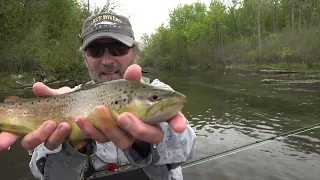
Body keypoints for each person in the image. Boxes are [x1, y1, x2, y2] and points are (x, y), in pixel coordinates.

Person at [0, 12, 196, 180]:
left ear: (134, 52)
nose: (107, 60)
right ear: (85, 57)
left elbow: (187, 150)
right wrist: (74, 146)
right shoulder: (70, 96)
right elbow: (43, 173)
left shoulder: (158, 91)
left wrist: (146, 142)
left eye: (118, 49)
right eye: (95, 50)